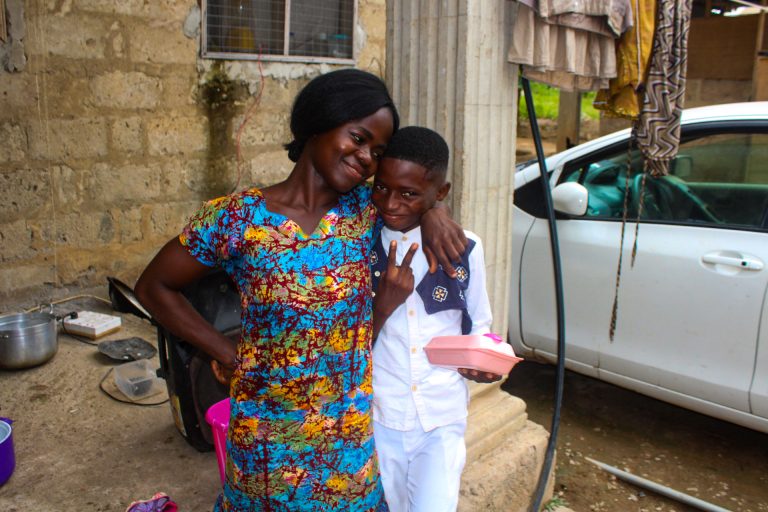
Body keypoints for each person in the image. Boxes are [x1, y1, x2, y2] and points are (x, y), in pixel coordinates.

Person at [134, 69, 468, 512]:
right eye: (358, 138)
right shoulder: (237, 218)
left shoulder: (367, 210)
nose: (367, 158)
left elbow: (414, 193)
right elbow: (153, 286)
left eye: (377, 151)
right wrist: (226, 352)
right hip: (266, 448)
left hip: (347, 450)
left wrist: (436, 212)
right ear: (318, 123)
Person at [368, 126, 501, 512]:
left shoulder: (466, 249)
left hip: (441, 416)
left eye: (408, 193)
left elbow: (479, 324)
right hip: (380, 415)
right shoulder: (360, 246)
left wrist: (483, 362)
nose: (390, 203)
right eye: (381, 188)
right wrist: (383, 305)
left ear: (440, 193)